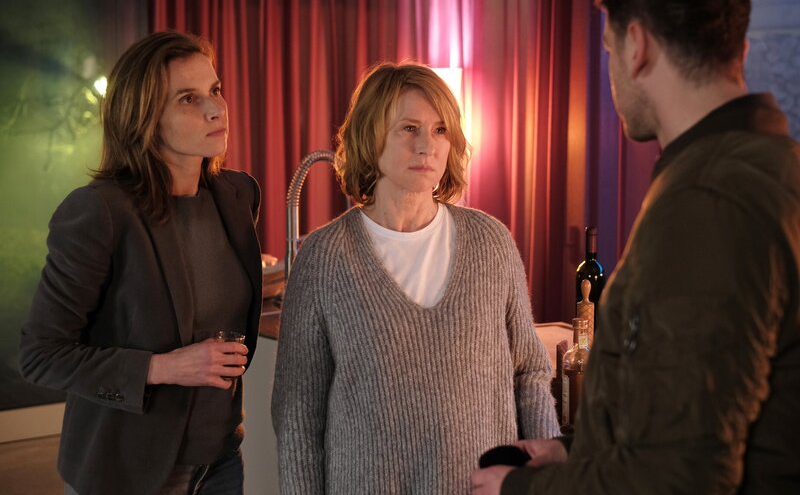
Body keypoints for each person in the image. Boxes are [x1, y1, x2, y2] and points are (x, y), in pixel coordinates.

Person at [470, 0, 800, 493]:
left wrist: (517, 489)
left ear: (637, 46)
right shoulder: (770, 166)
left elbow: (677, 478)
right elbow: (698, 414)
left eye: (608, 49)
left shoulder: (706, 202)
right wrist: (575, 450)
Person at [271, 62, 560, 494]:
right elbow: (297, 414)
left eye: (440, 130)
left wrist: (544, 479)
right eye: (409, 128)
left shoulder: (491, 242)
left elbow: (530, 372)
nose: (427, 145)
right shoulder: (324, 258)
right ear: (371, 136)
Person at [18, 31, 263, 495]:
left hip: (222, 461)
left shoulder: (238, 195)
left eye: (214, 90)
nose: (216, 109)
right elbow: (41, 356)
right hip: (129, 469)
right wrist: (163, 368)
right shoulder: (100, 212)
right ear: (144, 119)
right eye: (188, 99)